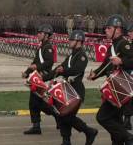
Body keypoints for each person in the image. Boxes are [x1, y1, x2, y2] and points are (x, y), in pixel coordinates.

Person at [45, 30, 98, 145]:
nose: (69, 41)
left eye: (72, 40)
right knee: (62, 114)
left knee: (67, 116)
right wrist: (44, 78)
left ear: (79, 41)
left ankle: (89, 131)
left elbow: (77, 70)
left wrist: (64, 70)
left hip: (77, 90)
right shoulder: (71, 56)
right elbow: (58, 69)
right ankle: (66, 140)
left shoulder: (82, 56)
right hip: (67, 89)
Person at [88, 14, 133, 145]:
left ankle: (129, 137)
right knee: (116, 123)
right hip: (114, 89)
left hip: (121, 90)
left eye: (108, 28)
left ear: (117, 29)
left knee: (102, 117)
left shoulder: (124, 44)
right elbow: (105, 66)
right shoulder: (112, 46)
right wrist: (95, 74)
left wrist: (122, 61)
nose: (105, 30)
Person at [22, 24, 59, 134]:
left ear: (46, 35)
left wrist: (37, 67)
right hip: (36, 78)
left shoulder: (48, 48)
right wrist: (27, 73)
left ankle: (55, 115)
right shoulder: (41, 47)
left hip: (43, 78)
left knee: (39, 103)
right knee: (34, 103)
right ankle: (37, 126)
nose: (38, 34)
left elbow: (49, 62)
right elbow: (35, 62)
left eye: (40, 33)